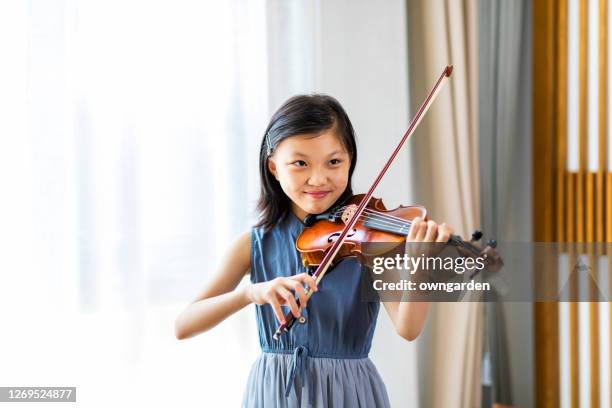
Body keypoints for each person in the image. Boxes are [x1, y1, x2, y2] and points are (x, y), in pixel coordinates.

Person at [174, 94, 453, 407]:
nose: (318, 179)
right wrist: (251, 293)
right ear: (274, 168)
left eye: (334, 162)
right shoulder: (253, 244)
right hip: (275, 395)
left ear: (350, 161)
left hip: (349, 394)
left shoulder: (371, 240)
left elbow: (409, 328)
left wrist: (419, 263)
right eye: (300, 163)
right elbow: (184, 325)